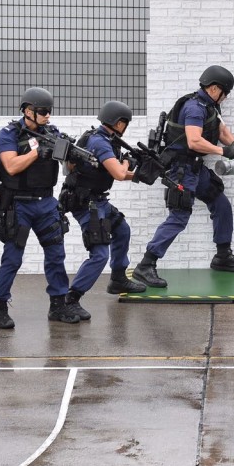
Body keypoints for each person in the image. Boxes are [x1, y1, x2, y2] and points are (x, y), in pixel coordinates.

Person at [130, 65, 234, 288]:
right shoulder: (195, 108)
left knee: (220, 203)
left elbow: (221, 131)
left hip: (196, 169)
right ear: (215, 88)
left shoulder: (210, 106)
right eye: (226, 92)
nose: (226, 97)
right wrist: (223, 151)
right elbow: (194, 140)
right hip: (181, 170)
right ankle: (146, 265)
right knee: (179, 216)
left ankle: (222, 256)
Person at [0, 87, 80, 328]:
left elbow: (67, 167)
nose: (48, 116)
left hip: (46, 203)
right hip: (19, 204)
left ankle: (58, 305)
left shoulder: (52, 132)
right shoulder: (8, 133)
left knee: (56, 254)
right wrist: (37, 152)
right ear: (28, 111)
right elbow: (10, 166)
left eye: (49, 111)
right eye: (43, 112)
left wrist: (71, 157)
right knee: (12, 258)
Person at [59, 100, 147, 320]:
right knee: (99, 254)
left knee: (121, 229)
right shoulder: (100, 142)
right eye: (124, 122)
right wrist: (128, 164)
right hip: (86, 203)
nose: (125, 127)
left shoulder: (103, 139)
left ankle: (118, 278)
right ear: (118, 122)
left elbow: (116, 172)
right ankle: (72, 298)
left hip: (98, 201)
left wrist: (141, 175)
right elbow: (118, 173)